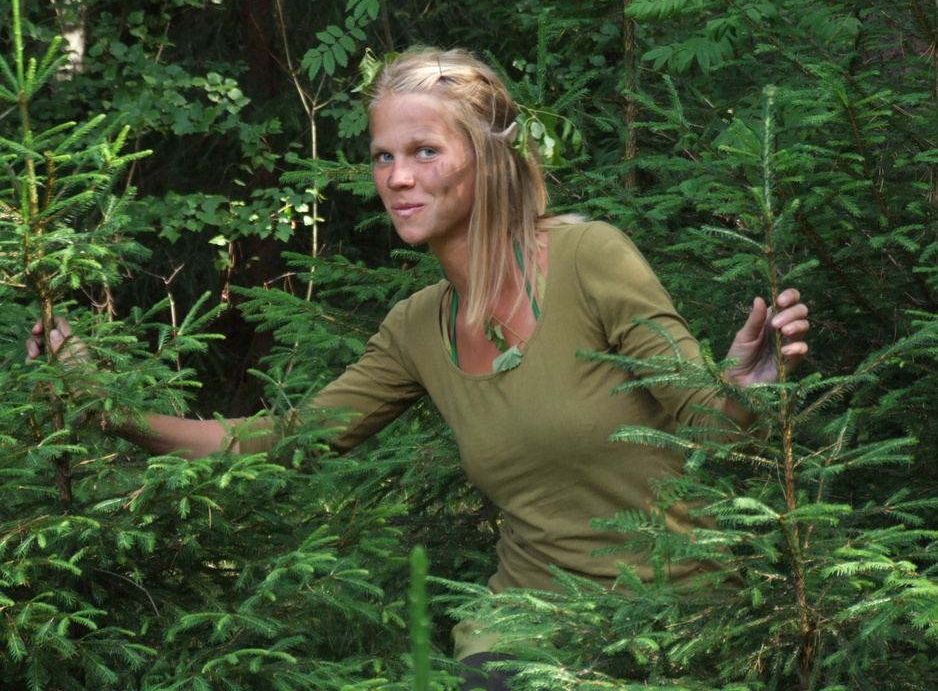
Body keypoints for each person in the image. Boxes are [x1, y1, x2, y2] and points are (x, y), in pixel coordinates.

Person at [28, 47, 809, 690]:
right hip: (525, 626)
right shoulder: (414, 329)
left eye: (424, 151)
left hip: (677, 615)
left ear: (486, 158)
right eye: (382, 157)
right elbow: (282, 440)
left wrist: (742, 388)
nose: (397, 178)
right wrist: (110, 409)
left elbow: (706, 424)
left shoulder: (587, 258)